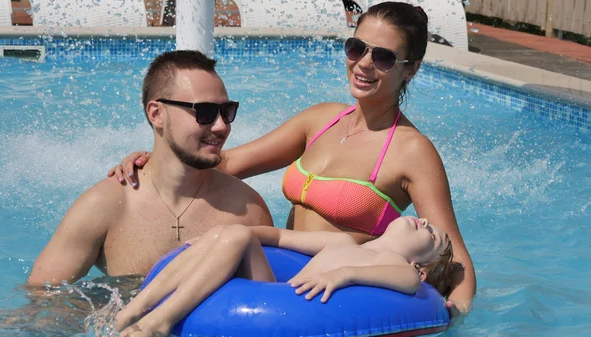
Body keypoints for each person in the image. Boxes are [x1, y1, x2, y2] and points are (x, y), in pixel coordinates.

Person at [108, 2, 475, 318]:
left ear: (409, 69)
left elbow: (454, 256)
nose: (363, 64)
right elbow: (226, 163)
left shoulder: (411, 150)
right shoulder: (319, 120)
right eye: (356, 47)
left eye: (383, 57)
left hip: (333, 297)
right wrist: (155, 156)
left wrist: (454, 314)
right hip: (280, 275)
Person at [28, 50, 273, 286]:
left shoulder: (247, 210)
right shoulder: (106, 204)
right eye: (205, 112)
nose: (221, 126)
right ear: (157, 114)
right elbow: (42, 301)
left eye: (226, 111)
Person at [115, 216, 453, 337]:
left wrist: (346, 274)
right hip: (272, 293)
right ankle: (139, 308)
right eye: (426, 220)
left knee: (237, 236)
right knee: (232, 233)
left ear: (421, 267)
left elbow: (409, 285)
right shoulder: (342, 241)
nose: (423, 222)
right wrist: (211, 237)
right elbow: (277, 239)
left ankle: (159, 321)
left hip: (278, 311)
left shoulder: (399, 267)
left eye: (433, 237)